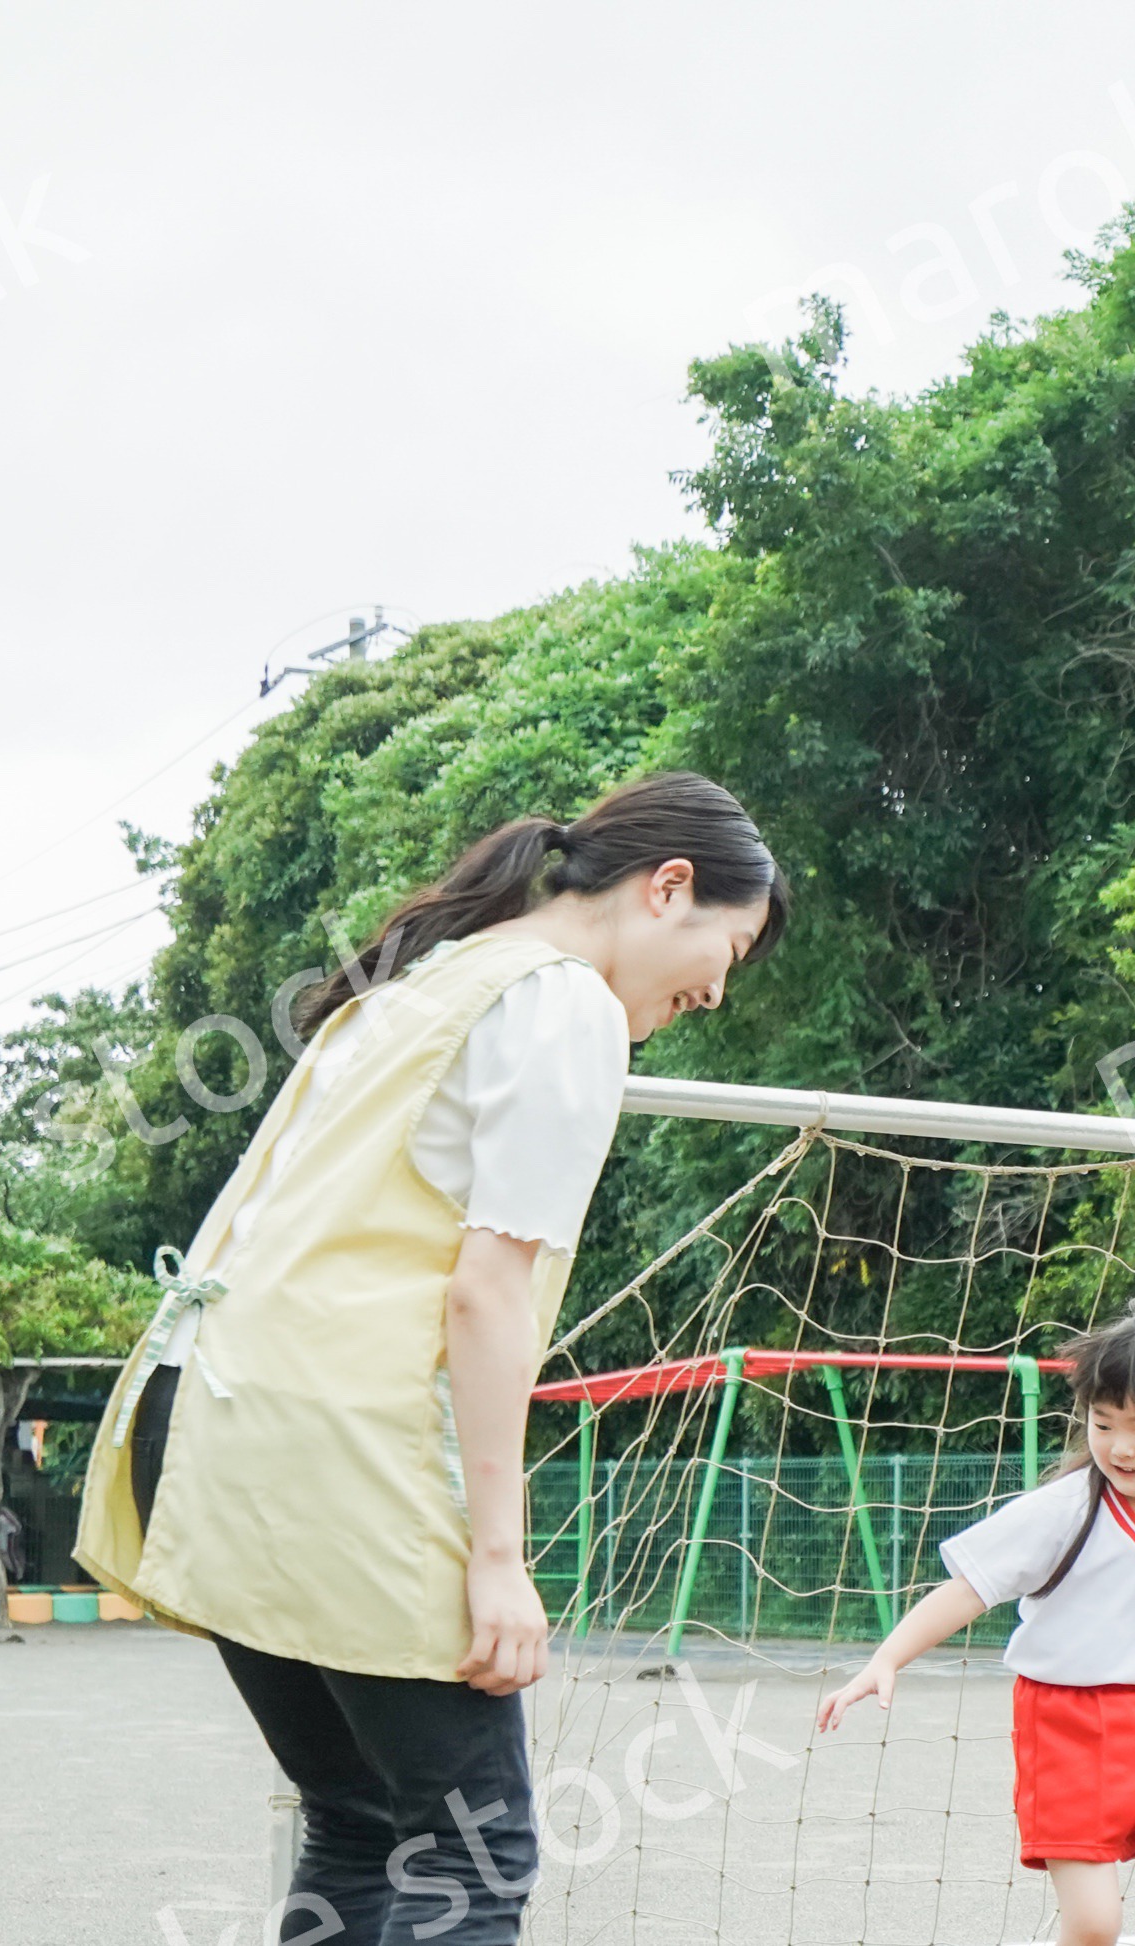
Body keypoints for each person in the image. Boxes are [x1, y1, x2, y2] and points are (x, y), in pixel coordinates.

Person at [80, 771, 788, 1945]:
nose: (717, 987)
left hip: (199, 1412)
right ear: (668, 887)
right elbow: (486, 1292)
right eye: (733, 946)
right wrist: (498, 1557)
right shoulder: (564, 1002)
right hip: (334, 1442)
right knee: (473, 1848)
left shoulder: (425, 977)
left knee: (362, 1818)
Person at [816, 1298, 1135, 1946]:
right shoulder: (1065, 1509)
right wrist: (886, 1658)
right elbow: (969, 1589)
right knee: (1094, 1925)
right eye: (1103, 1424)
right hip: (1064, 1728)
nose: (1120, 1447)